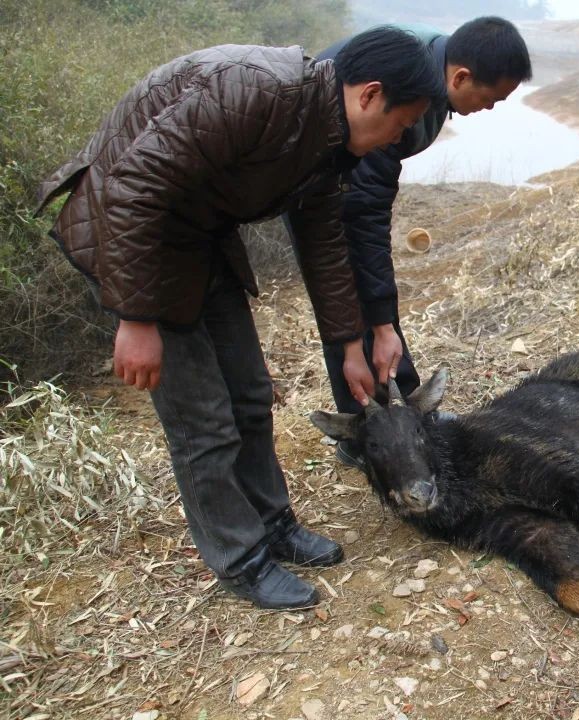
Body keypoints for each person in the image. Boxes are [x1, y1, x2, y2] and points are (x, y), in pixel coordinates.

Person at [35, 28, 445, 609]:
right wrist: (136, 316)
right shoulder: (256, 90)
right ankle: (239, 557)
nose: (395, 140)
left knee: (250, 395)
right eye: (400, 125)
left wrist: (350, 344)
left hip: (199, 240)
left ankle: (273, 525)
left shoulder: (329, 138)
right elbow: (132, 185)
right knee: (204, 423)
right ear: (370, 95)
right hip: (134, 238)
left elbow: (325, 243)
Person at [285, 17, 531, 468]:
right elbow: (364, 211)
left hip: (344, 186)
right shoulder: (402, 92)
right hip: (311, 186)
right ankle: (363, 433)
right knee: (345, 303)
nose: (490, 108)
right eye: (491, 98)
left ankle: (411, 416)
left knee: (377, 316)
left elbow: (372, 199)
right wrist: (379, 323)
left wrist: (383, 323)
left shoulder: (432, 81)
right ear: (460, 77)